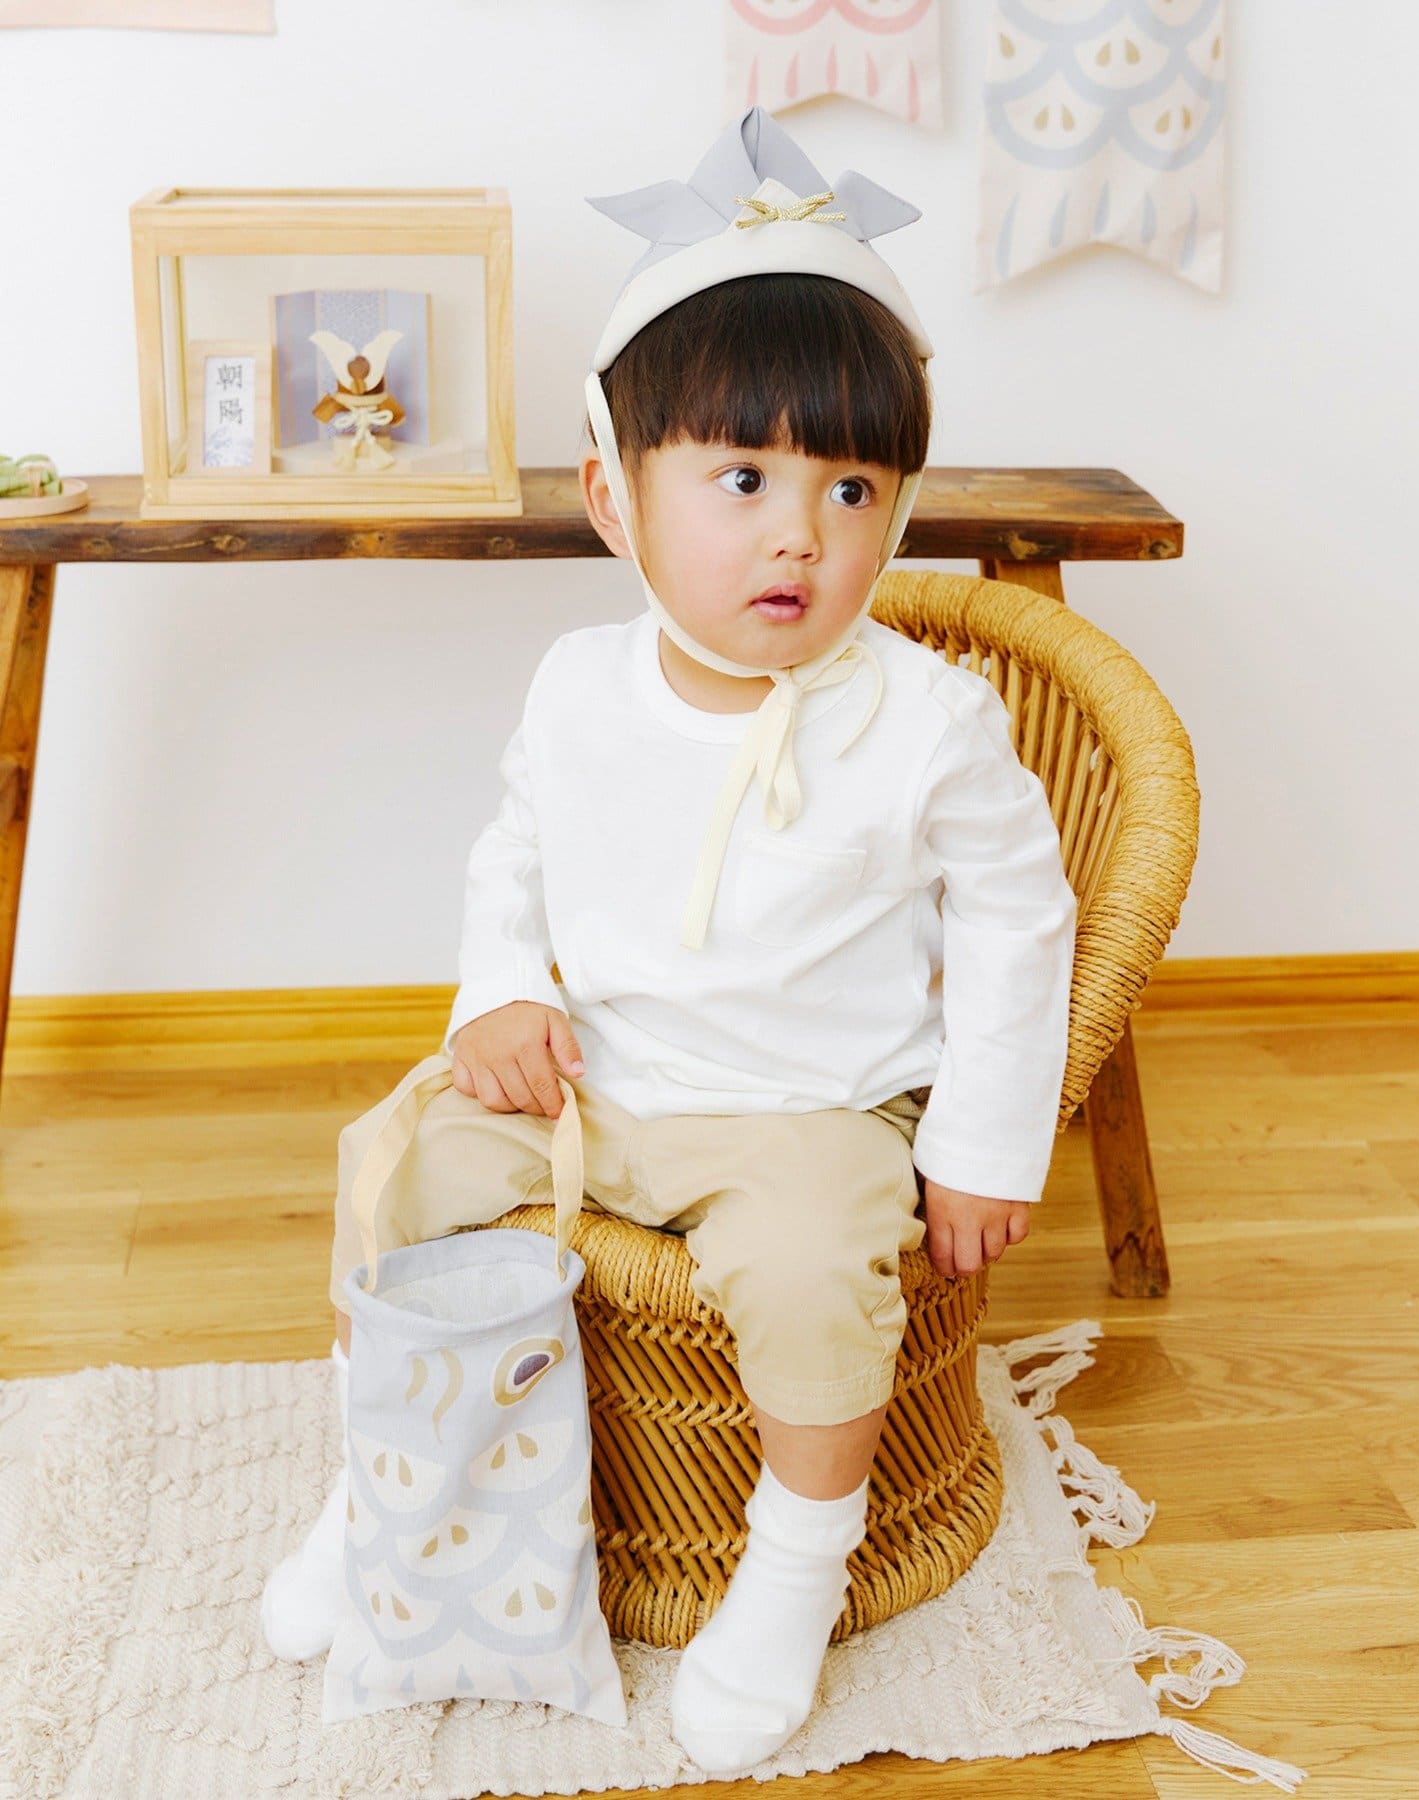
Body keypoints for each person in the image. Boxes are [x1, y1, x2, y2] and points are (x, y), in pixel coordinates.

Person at [260, 105, 1076, 1776]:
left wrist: (986, 1142)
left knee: (814, 1271)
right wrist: (501, 993)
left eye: (852, 487)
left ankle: (794, 1560)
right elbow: (517, 850)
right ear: (614, 499)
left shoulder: (927, 721)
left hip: (808, 1107)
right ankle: (388, 1486)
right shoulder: (580, 686)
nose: (800, 533)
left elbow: (1020, 915)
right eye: (742, 478)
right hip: (600, 1080)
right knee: (398, 1166)